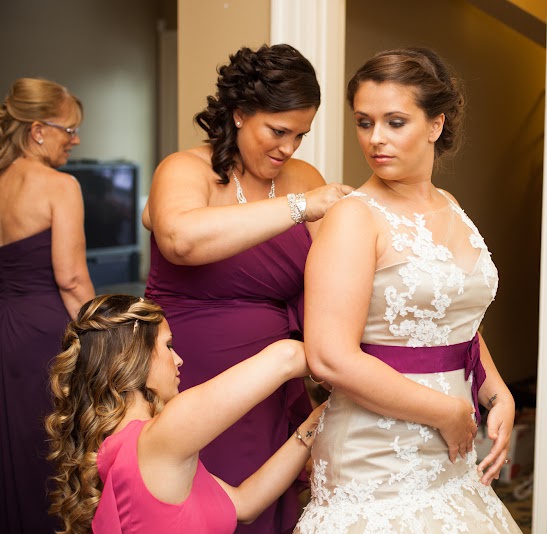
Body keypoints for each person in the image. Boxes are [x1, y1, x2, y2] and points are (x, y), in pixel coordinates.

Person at [296, 48, 522, 533]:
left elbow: (452, 318)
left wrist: (496, 391)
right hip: (377, 454)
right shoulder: (354, 218)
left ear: (436, 124)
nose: (375, 138)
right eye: (364, 122)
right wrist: (445, 411)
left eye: (394, 122)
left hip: (451, 449)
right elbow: (328, 357)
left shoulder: (451, 205)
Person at [142, 43, 351, 532]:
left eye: (300, 135)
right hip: (190, 377)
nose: (289, 148)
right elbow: (180, 240)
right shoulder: (185, 170)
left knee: (261, 509)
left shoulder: (303, 176)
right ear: (239, 113)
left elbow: (337, 275)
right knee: (199, 511)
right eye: (278, 131)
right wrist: (301, 207)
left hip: (272, 384)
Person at [45, 294, 324, 534]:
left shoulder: (125, 449)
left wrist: (314, 423)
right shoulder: (159, 437)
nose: (178, 360)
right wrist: (338, 358)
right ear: (133, 355)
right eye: (168, 345)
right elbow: (286, 357)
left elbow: (245, 504)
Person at [0, 77, 95, 534]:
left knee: (10, 446)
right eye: (68, 130)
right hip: (43, 335)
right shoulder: (60, 185)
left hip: (5, 327)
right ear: (38, 130)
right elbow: (72, 279)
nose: (75, 140)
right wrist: (108, 335)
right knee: (49, 449)